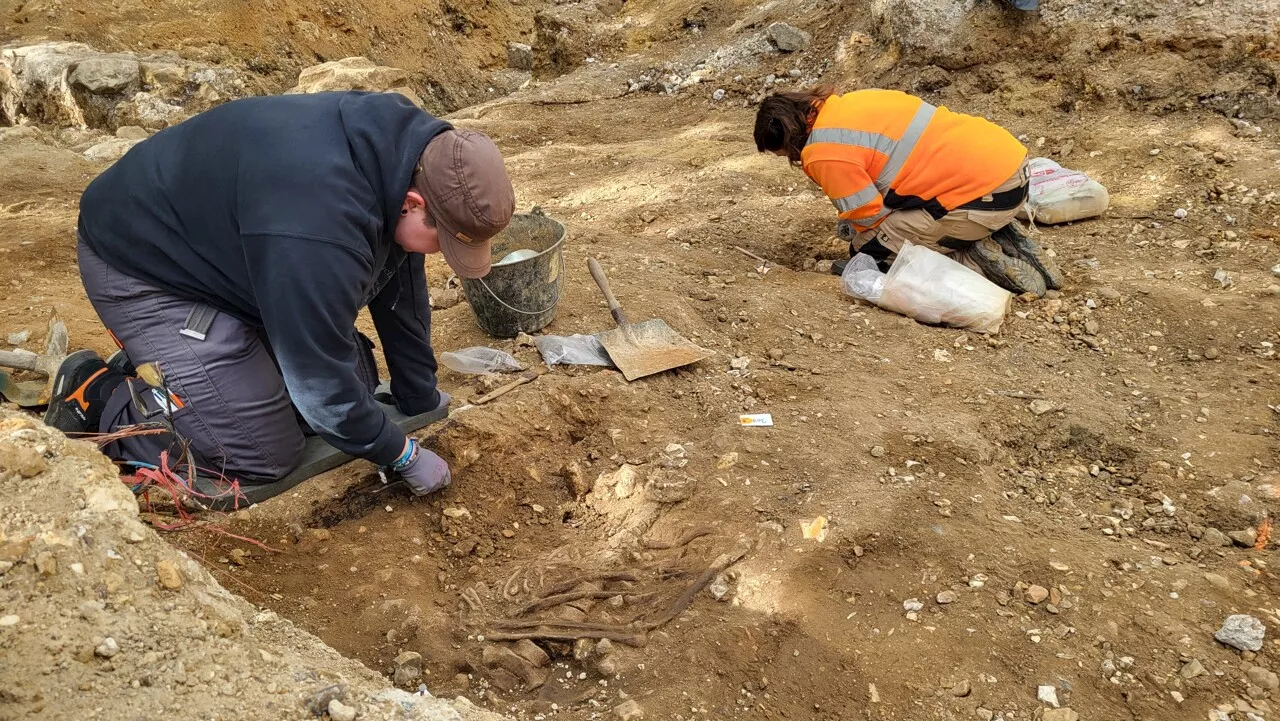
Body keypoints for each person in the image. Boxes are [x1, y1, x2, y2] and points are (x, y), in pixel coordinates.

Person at [43, 90, 515, 501]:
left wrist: (418, 392)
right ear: (415, 203)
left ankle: (192, 373)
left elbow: (400, 274)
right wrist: (401, 454)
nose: (440, 255)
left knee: (359, 383)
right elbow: (319, 384)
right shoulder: (318, 225)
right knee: (262, 451)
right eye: (444, 242)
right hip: (147, 270)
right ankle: (102, 395)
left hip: (234, 254)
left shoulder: (405, 158)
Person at [754, 87, 1063, 296]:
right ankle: (987, 233)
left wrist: (857, 244)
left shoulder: (823, 151)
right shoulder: (853, 101)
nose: (793, 161)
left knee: (867, 253)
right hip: (1013, 175)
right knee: (901, 219)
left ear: (789, 140)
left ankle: (975, 258)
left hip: (982, 199)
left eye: (785, 155)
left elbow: (868, 217)